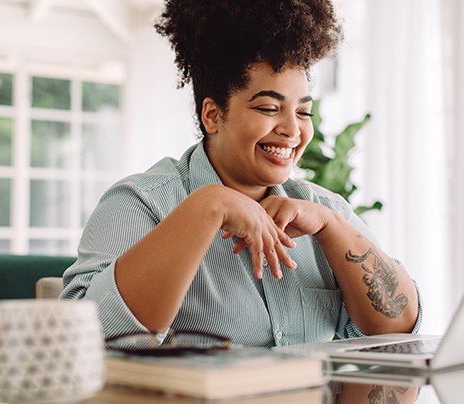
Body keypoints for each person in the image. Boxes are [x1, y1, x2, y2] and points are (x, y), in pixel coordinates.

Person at [60, 0, 421, 346]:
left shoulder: (322, 210)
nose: (292, 130)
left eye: (303, 112)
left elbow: (398, 329)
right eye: (268, 107)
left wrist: (332, 228)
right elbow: (81, 342)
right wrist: (207, 207)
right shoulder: (140, 204)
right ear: (213, 115)